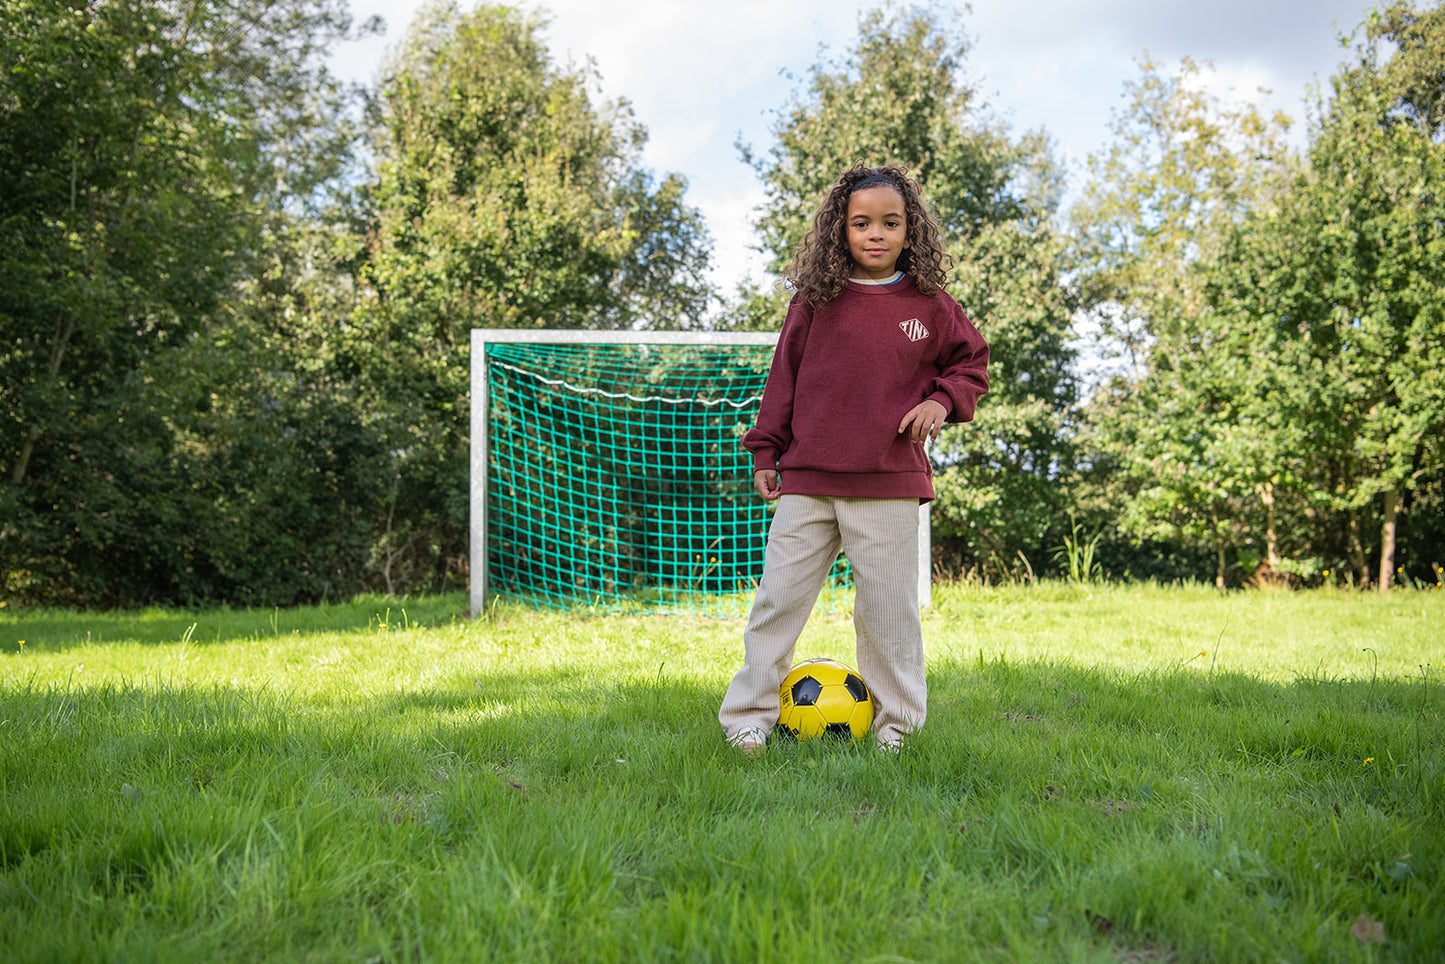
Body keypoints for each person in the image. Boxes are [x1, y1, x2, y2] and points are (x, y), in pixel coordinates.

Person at [718, 162, 990, 755]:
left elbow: (971, 365)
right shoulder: (816, 302)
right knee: (777, 604)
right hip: (809, 482)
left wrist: (943, 401)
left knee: (889, 617)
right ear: (840, 230)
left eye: (890, 223)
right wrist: (767, 449)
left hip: (890, 483)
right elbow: (782, 379)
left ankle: (897, 730)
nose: (875, 234)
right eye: (861, 222)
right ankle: (748, 718)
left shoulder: (933, 305)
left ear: (909, 232)